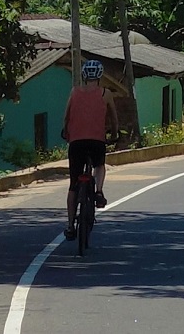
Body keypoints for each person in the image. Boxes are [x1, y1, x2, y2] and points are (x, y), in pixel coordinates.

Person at [62, 60, 114, 240]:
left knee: (73, 185)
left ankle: (70, 226)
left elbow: (67, 116)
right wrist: (114, 133)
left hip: (76, 143)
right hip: (97, 141)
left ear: (84, 75)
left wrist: (66, 132)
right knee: (99, 165)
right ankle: (98, 191)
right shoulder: (105, 94)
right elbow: (113, 117)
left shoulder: (74, 92)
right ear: (99, 76)